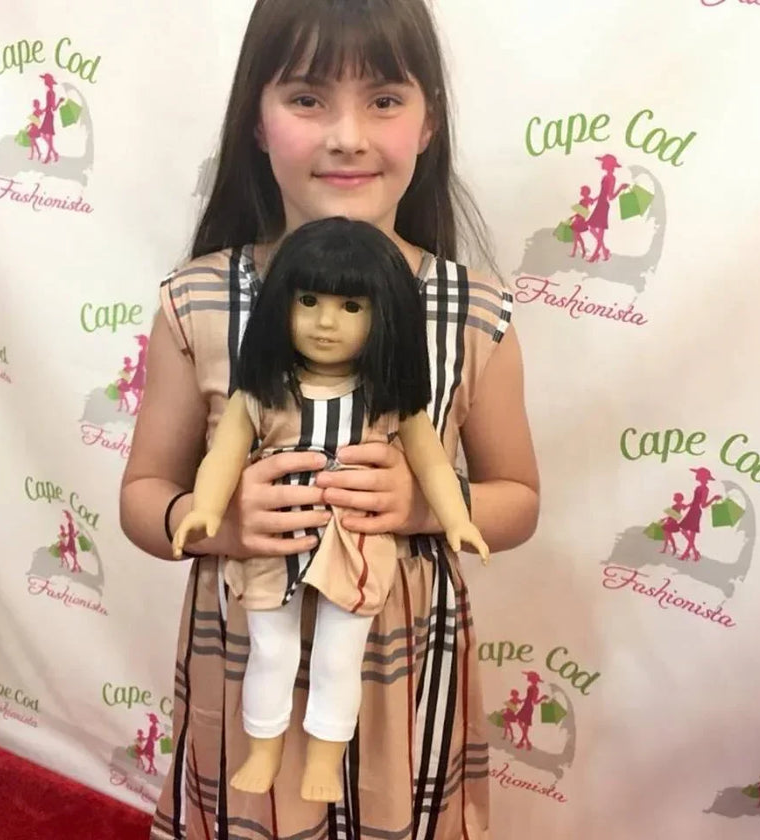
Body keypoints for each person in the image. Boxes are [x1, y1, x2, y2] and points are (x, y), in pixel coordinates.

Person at [120, 1, 539, 837]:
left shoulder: (473, 308)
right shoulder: (199, 298)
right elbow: (143, 494)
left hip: (404, 666)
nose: (348, 135)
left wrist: (423, 504)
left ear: (428, 125)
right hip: (243, 657)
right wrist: (211, 519)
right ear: (257, 122)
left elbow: (518, 496)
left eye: (385, 99)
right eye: (308, 99)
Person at [171, 217, 488, 803]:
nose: (323, 322)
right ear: (279, 306)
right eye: (309, 300)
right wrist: (205, 511)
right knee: (270, 648)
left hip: (357, 546)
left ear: (385, 313)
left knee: (341, 654)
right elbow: (222, 456)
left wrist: (458, 518)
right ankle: (264, 746)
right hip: (275, 544)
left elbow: (435, 465)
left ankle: (324, 754)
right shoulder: (262, 392)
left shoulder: (390, 400)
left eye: (351, 306)